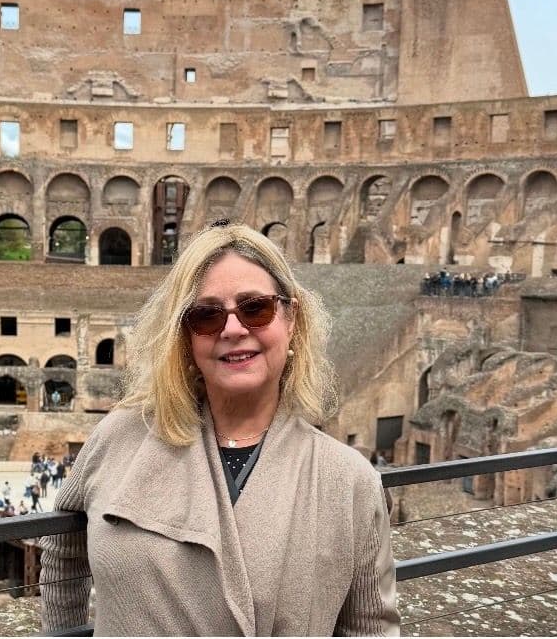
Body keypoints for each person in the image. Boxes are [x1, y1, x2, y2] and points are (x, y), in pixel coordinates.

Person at [40, 221, 399, 636]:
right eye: (206, 315)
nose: (233, 329)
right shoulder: (119, 436)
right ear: (185, 336)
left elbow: (371, 627)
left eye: (255, 308)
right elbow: (62, 547)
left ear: (292, 318)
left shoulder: (348, 480)